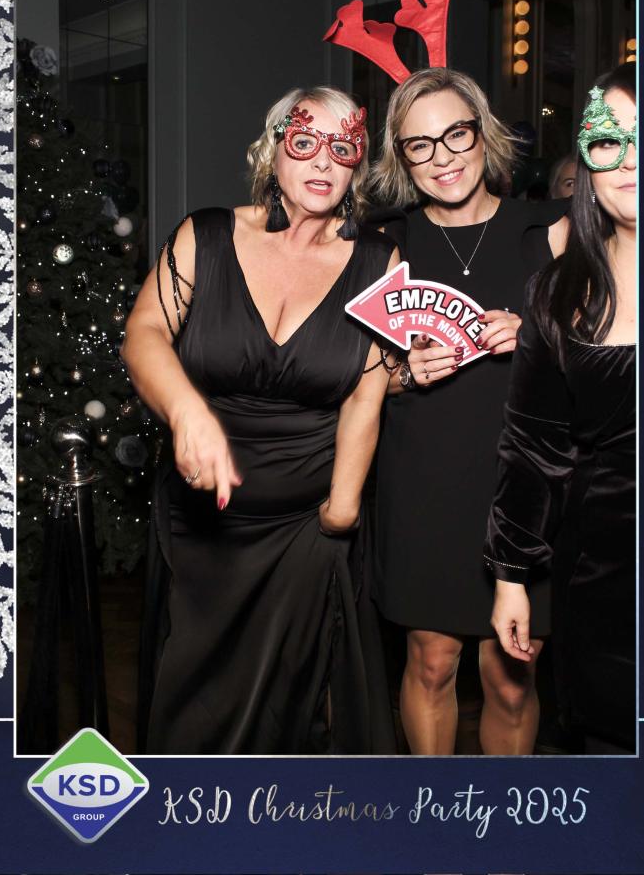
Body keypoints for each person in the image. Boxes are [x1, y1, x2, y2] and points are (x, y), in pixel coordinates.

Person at [122, 86, 399, 754]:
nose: (322, 161)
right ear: (272, 151)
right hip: (203, 524)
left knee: (291, 711)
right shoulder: (205, 235)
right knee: (191, 702)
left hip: (306, 526)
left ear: (357, 165)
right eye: (303, 141)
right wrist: (186, 411)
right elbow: (144, 333)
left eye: (343, 148)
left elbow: (366, 393)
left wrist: (341, 511)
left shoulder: (378, 261)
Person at [371, 67, 569, 756]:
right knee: (430, 662)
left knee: (511, 678)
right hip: (423, 482)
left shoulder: (549, 232)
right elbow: (348, 376)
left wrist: (540, 335)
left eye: (455, 134)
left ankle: (498, 816)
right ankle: (434, 811)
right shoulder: (386, 243)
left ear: (482, 134)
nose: (442, 157)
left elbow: (611, 353)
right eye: (418, 145)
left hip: (526, 485)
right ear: (401, 158)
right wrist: (401, 373)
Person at [486, 63, 636, 754]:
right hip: (602, 575)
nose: (629, 159)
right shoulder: (557, 291)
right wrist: (511, 577)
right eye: (609, 140)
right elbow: (532, 447)